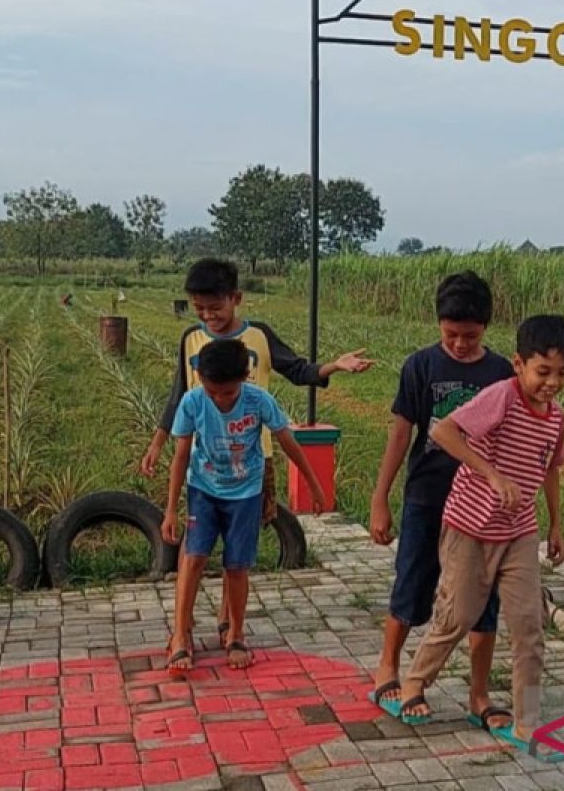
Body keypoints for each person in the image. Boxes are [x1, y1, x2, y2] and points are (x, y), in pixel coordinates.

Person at [140, 258, 373, 644]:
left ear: (237, 298)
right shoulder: (191, 340)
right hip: (205, 462)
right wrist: (157, 442)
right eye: (200, 309)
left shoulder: (260, 338)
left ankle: (228, 621)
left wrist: (335, 366)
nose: (208, 316)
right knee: (196, 548)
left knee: (239, 551)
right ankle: (184, 627)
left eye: (216, 307)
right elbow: (179, 393)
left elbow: (298, 370)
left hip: (254, 460)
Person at [397, 314, 564, 759]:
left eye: (562, 374)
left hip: (518, 534)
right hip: (469, 528)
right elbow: (443, 430)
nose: (551, 383)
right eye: (543, 372)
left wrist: (555, 524)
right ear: (518, 363)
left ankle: (527, 725)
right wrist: (491, 474)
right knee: (458, 615)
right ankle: (414, 682)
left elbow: (551, 469)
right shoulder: (501, 397)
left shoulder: (556, 418)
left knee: (529, 629)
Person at [367, 271, 515, 733]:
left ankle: (479, 694)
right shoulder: (420, 367)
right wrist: (381, 498)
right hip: (427, 498)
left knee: (481, 600)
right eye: (450, 334)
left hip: (480, 509)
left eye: (469, 336)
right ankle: (387, 668)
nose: (459, 344)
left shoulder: (501, 374)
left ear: (486, 329)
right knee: (412, 581)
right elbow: (400, 433)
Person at [160, 338, 326, 673]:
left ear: (245, 377)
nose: (220, 399)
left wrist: (314, 484)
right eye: (213, 392)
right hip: (203, 489)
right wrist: (170, 509)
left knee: (237, 566)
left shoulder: (258, 401)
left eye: (228, 393)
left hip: (246, 493)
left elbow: (288, 442)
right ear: (200, 378)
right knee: (193, 558)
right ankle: (180, 634)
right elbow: (180, 457)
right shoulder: (192, 402)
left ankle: (235, 634)